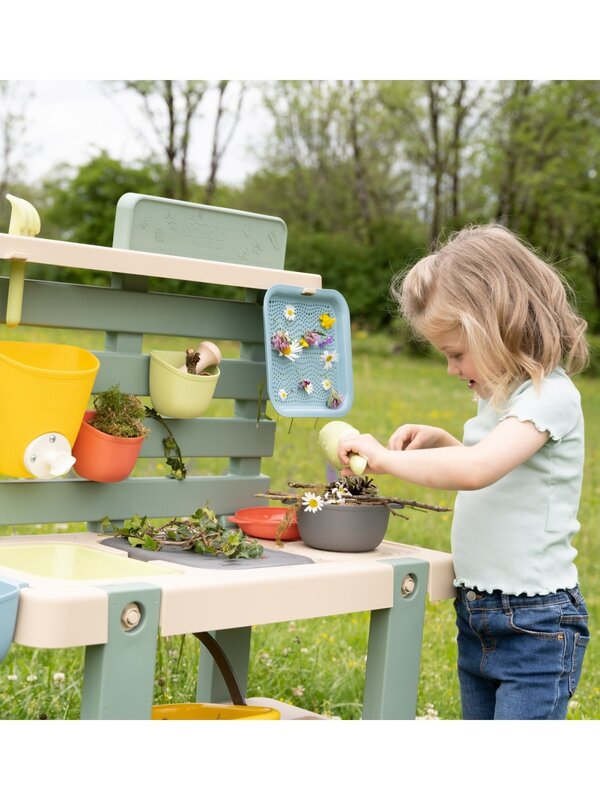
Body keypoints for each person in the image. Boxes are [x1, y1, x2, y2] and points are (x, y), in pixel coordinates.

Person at [337, 224, 590, 720]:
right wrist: (444, 441)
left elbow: (478, 469)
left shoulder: (551, 396)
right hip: (478, 615)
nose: (452, 369)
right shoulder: (499, 399)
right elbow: (499, 472)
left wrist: (386, 459)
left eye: (456, 353)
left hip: (535, 624)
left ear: (497, 327)